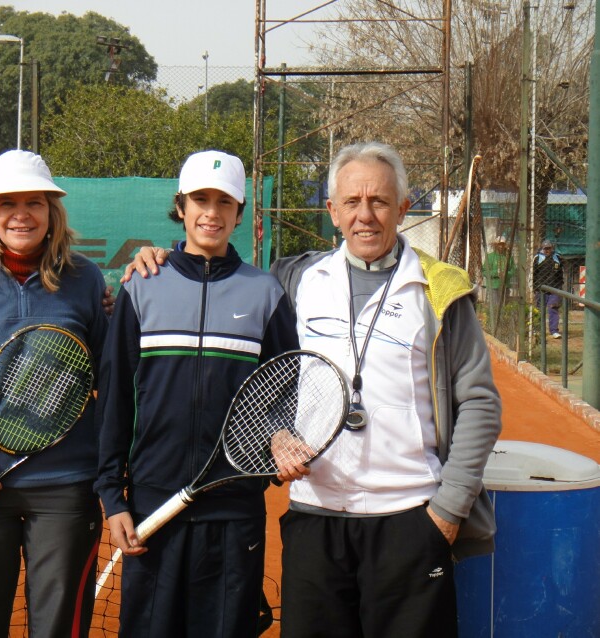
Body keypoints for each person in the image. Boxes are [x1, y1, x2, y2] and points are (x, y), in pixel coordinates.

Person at [125, 142, 502, 637]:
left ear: (403, 208)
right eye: (351, 202)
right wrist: (160, 255)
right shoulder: (293, 280)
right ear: (332, 211)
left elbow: (479, 402)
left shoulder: (440, 290)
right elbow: (254, 367)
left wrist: (447, 511)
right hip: (314, 518)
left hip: (409, 519)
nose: (364, 216)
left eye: (379, 202)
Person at [95, 150, 298, 638]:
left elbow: (287, 391)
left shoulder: (266, 294)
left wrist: (275, 443)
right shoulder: (143, 286)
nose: (212, 212)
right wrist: (112, 495)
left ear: (239, 212)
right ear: (181, 206)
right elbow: (116, 396)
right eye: (200, 199)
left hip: (234, 507)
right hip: (153, 503)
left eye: (224, 201)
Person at [0, 149, 109, 637]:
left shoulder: (86, 280)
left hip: (66, 488)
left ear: (52, 211)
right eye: (7, 203)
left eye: (34, 202)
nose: (21, 214)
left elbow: (108, 381)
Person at [532, 238, 564, 338]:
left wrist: (559, 286)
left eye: (549, 248)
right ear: (542, 248)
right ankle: (537, 330)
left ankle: (554, 330)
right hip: (541, 288)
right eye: (545, 248)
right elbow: (533, 273)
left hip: (554, 288)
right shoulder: (537, 258)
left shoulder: (557, 258)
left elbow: (561, 273)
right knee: (539, 309)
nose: (547, 250)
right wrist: (534, 287)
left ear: (552, 248)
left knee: (553, 308)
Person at [482, 235, 515, 328]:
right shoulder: (490, 257)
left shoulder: (508, 257)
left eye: (502, 244)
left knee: (504, 306)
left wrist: (506, 274)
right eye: (499, 245)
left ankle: (503, 324)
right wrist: (496, 273)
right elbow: (484, 271)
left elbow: (513, 270)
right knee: (495, 306)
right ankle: (493, 324)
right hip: (493, 285)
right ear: (495, 245)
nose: (500, 246)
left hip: (505, 286)